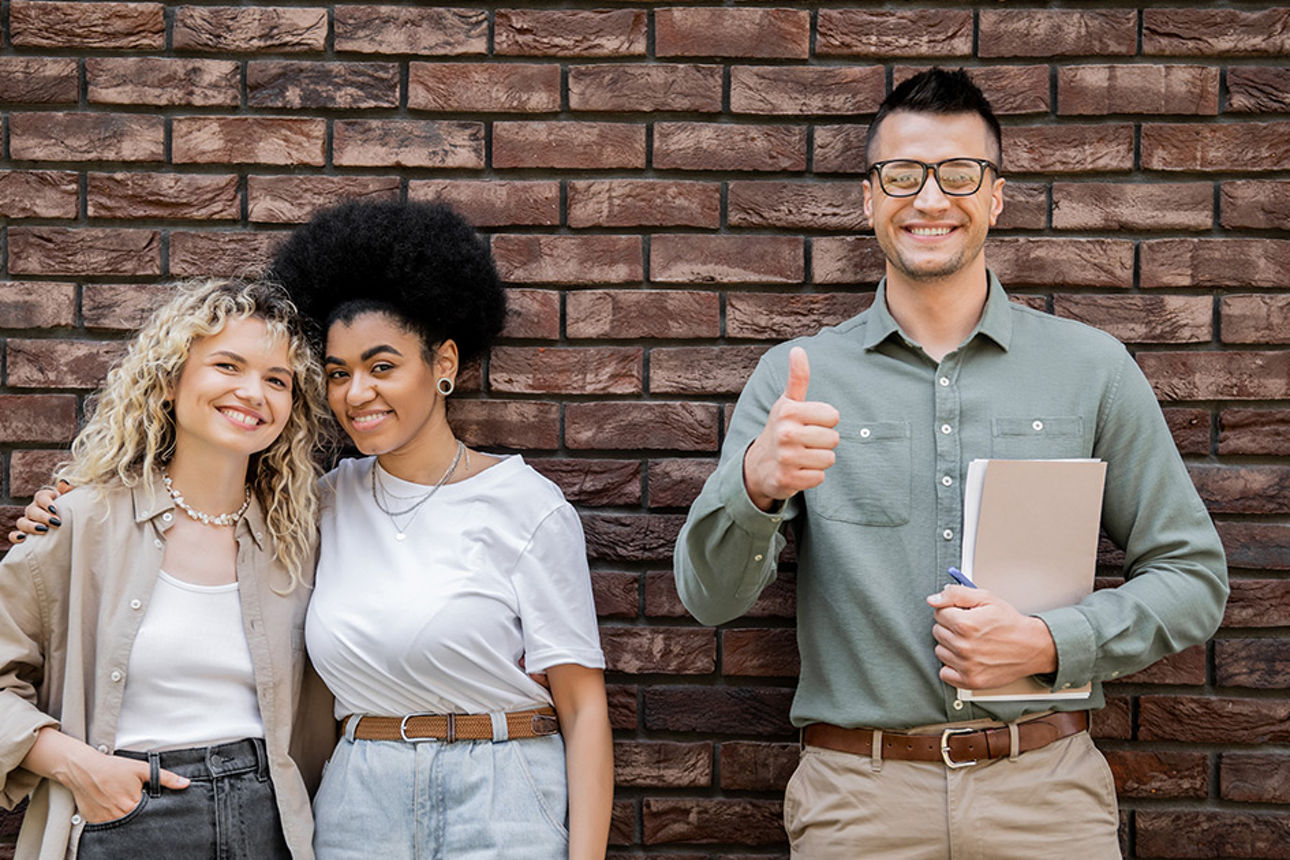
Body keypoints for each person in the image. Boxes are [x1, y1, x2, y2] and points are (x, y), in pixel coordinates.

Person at [673, 68, 1228, 859]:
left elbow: (1194, 578)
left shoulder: (1092, 369)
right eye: (902, 175)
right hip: (858, 800)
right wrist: (754, 489)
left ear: (995, 195)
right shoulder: (797, 378)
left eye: (959, 173)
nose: (930, 199)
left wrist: (1051, 643)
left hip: (1046, 794)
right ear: (869, 199)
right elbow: (709, 599)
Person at [269, 199, 613, 859]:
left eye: (382, 366)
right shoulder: (320, 505)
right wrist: (75, 498)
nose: (356, 393)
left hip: (502, 794)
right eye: (337, 374)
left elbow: (584, 708)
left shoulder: (525, 505)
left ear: (444, 363)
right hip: (359, 800)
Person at [0, 279, 333, 860]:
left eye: (277, 380)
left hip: (271, 817)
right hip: (126, 817)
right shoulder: (80, 521)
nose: (254, 392)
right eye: (228, 366)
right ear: (171, 379)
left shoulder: (302, 536)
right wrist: (81, 769)